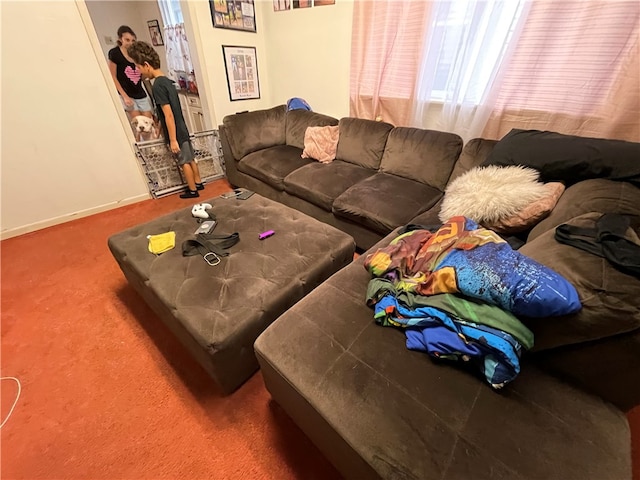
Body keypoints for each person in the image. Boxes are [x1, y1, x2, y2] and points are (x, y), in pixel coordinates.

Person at [128, 41, 204, 199]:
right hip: (182, 127)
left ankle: (192, 190)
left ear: (147, 65)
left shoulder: (158, 86)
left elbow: (168, 114)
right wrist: (159, 129)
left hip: (175, 130)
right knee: (190, 158)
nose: (139, 71)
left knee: (183, 161)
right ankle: (198, 183)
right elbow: (170, 113)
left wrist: (173, 139)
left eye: (139, 67)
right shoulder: (168, 82)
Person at [108, 26, 154, 122]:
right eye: (127, 40)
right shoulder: (115, 54)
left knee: (148, 122)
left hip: (139, 92)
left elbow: (142, 73)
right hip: (127, 94)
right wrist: (124, 96)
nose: (130, 43)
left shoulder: (136, 54)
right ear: (120, 39)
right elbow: (112, 76)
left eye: (133, 40)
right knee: (138, 123)